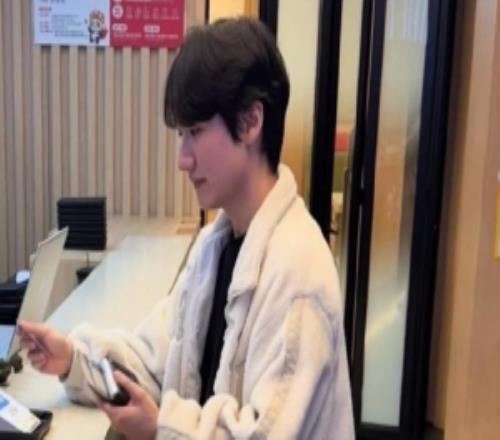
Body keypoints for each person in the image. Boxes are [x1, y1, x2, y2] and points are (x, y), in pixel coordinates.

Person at [19, 17, 354, 439]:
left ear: (251, 121)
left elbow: (265, 432)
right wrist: (73, 360)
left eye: (194, 131)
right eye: (181, 134)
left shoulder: (298, 272)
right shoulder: (213, 247)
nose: (182, 159)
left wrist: (160, 428)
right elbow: (152, 361)